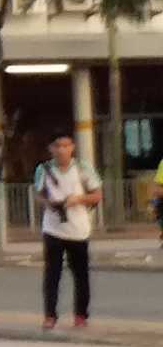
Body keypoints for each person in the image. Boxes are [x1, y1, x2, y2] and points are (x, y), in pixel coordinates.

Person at [34, 131, 104, 330]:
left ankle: (81, 315)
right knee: (52, 274)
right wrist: (50, 203)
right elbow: (38, 194)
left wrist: (78, 199)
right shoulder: (44, 169)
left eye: (66, 146)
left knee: (81, 274)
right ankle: (50, 315)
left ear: (72, 147)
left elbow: (97, 195)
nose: (62, 150)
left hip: (78, 229)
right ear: (51, 149)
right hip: (53, 229)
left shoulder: (83, 168)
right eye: (58, 146)